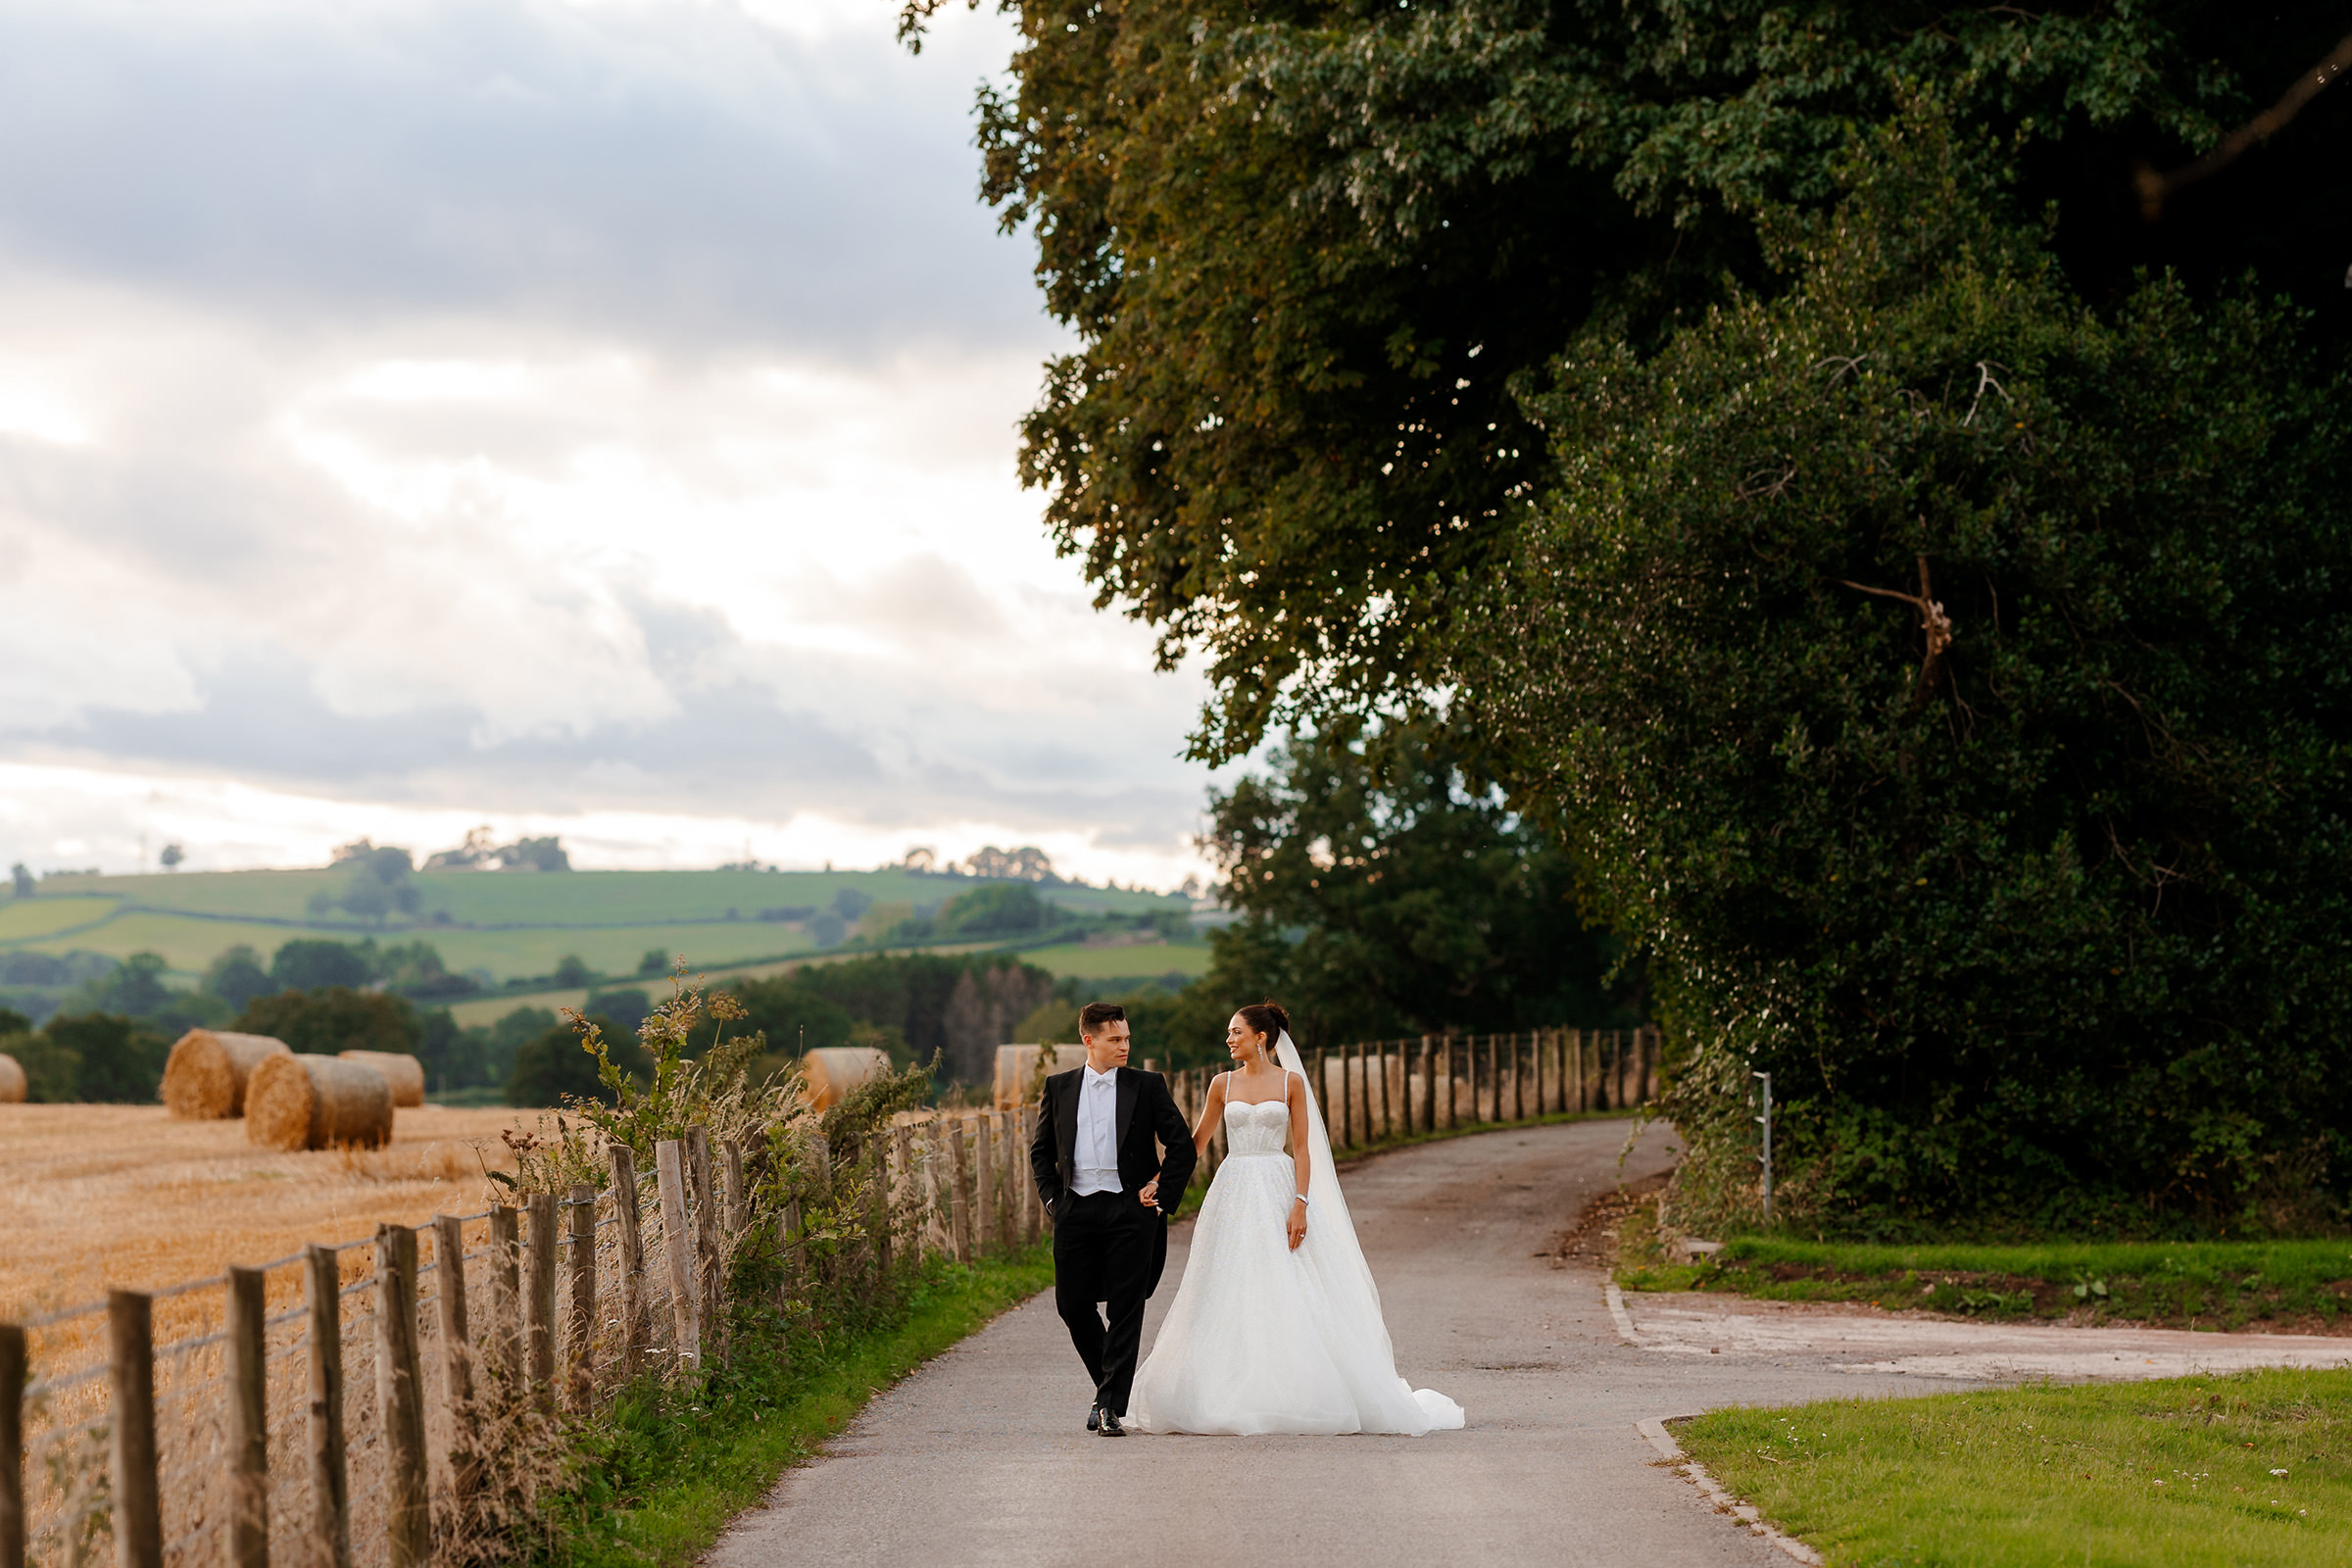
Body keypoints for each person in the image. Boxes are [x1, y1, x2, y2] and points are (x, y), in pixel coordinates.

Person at [1125, 1001, 1464, 1436]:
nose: (1229, 1040)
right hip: (1233, 1189)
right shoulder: (1220, 1085)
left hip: (1277, 1183)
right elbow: (1196, 1143)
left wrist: (1300, 1202)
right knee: (1228, 1281)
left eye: (1236, 1032)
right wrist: (1160, 1180)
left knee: (1286, 1278)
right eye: (1228, 1033)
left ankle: (1295, 1387)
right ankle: (1227, 1387)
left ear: (1260, 1037)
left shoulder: (1291, 1083)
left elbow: (1302, 1148)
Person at [1028, 1001, 1197, 1437]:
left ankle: (1108, 1406)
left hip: (1130, 1209)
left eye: (1127, 1039)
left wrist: (1162, 1195)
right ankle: (1111, 1390)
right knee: (1072, 1305)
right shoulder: (1058, 1086)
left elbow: (1182, 1145)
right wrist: (1052, 1202)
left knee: (1126, 1306)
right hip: (1075, 1208)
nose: (1125, 1046)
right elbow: (1041, 1151)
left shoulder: (1147, 1085)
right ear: (1090, 1040)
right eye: (1115, 1039)